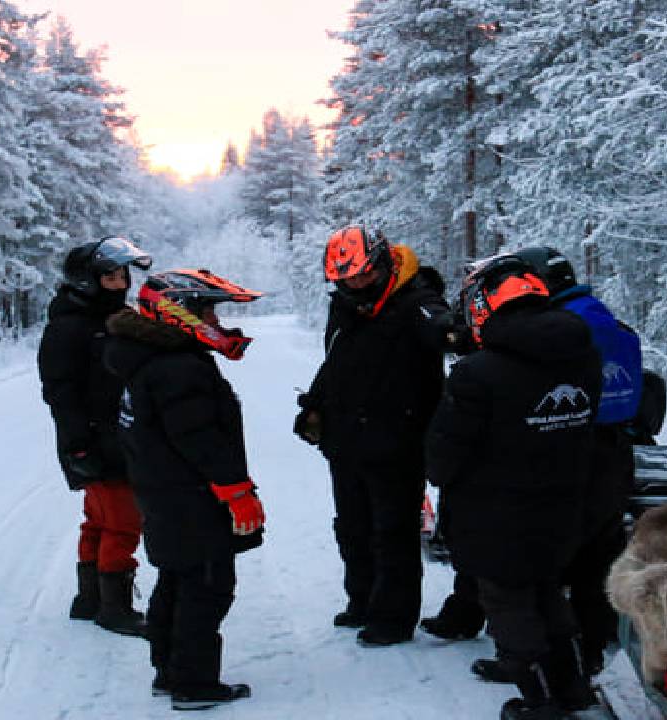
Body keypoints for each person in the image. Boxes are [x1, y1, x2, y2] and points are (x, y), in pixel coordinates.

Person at [423, 246, 640, 679]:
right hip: (566, 494)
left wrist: (443, 475)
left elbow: (447, 448)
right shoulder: (584, 354)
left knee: (509, 597)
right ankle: (572, 678)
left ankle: (537, 684)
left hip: (500, 506)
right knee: (548, 590)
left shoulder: (479, 372)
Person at [104, 269, 265, 710]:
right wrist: (236, 490)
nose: (215, 318)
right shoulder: (177, 368)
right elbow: (199, 438)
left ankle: (169, 671)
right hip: (192, 495)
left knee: (176, 579)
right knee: (207, 586)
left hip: (164, 491)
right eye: (207, 309)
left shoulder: (153, 358)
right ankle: (193, 683)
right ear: (180, 312)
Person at [293, 224, 453, 647]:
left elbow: (445, 330)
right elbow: (338, 360)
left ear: (383, 263)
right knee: (351, 527)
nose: (357, 283)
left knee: (393, 532)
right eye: (347, 278)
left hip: (397, 441)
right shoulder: (346, 307)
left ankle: (393, 618)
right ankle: (361, 599)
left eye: (365, 274)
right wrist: (315, 402)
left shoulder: (416, 301)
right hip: (346, 439)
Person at [37, 236, 152, 638]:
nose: (121, 284)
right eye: (111, 278)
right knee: (123, 520)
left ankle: (89, 599)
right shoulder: (70, 327)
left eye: (123, 276)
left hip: (112, 435)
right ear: (87, 281)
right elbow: (60, 392)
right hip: (95, 440)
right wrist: (78, 445)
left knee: (98, 519)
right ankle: (115, 607)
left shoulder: (109, 319)